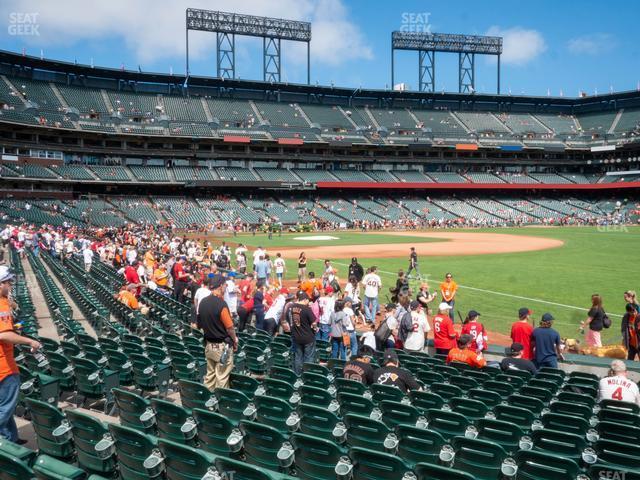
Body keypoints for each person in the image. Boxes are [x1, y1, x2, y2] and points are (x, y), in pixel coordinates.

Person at [0, 266, 42, 442]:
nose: (10, 285)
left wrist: (10, 302)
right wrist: (30, 341)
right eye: (8, 282)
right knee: (5, 409)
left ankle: (11, 440)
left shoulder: (4, 301)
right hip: (4, 367)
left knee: (5, 408)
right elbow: (3, 334)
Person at [196, 275, 238, 391]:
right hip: (222, 347)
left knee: (210, 376)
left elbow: (199, 324)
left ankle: (207, 403)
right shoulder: (221, 304)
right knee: (222, 378)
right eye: (225, 285)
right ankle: (221, 405)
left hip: (209, 345)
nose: (225, 288)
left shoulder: (203, 302)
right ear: (220, 286)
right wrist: (235, 340)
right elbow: (230, 328)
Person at [288, 291, 317, 375]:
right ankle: (307, 376)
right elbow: (314, 323)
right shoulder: (307, 309)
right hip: (308, 338)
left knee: (298, 357)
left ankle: (297, 375)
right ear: (304, 299)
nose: (309, 301)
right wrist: (315, 328)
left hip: (296, 337)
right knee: (309, 358)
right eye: (308, 300)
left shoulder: (292, 307)